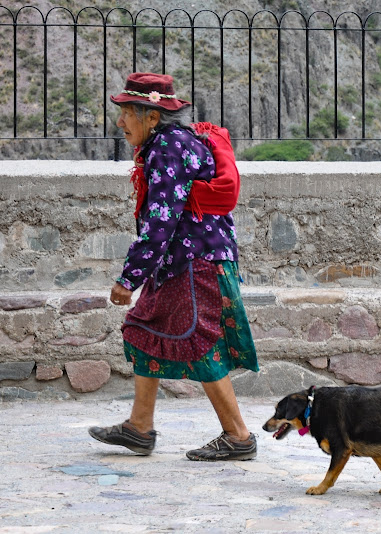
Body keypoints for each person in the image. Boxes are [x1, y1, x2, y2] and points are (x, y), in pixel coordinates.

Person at [89, 72, 259, 459]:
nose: (120, 123)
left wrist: (128, 278)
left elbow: (160, 221)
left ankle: (238, 437)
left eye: (127, 113)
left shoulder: (167, 148)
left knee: (201, 344)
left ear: (151, 117)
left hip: (195, 263)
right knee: (142, 328)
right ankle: (139, 427)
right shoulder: (170, 144)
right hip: (181, 261)